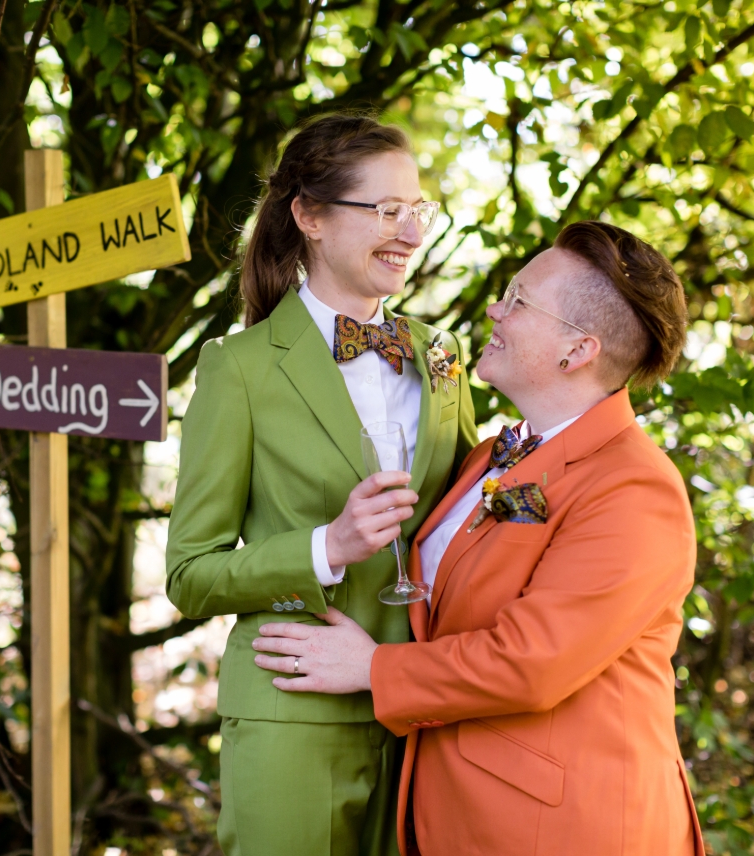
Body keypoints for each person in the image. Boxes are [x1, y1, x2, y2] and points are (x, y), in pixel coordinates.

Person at [251, 220, 705, 856]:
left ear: (577, 351)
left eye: (519, 300)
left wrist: (373, 668)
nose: (495, 307)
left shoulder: (635, 490)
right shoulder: (493, 454)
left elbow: (530, 663)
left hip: (568, 831)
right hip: (464, 814)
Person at [165, 113, 478, 856]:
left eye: (416, 210)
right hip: (289, 708)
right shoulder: (235, 368)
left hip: (421, 708)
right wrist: (324, 547)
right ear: (308, 216)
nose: (408, 230)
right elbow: (189, 575)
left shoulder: (444, 356)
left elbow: (466, 518)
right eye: (384, 210)